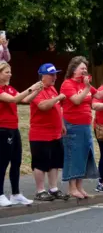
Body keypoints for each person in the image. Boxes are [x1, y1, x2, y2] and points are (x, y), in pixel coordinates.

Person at [60, 56, 103, 199]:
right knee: (74, 156)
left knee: (84, 156)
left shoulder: (85, 84)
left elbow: (99, 95)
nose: (85, 70)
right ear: (73, 69)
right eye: (82, 68)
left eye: (85, 68)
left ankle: (79, 187)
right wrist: (87, 87)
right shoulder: (67, 84)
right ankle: (72, 188)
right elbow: (76, 100)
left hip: (85, 125)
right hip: (72, 126)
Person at [0, 61, 43, 207]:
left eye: (10, 71)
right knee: (2, 163)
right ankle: (0, 194)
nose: (10, 74)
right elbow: (13, 100)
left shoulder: (10, 88)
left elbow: (24, 99)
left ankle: (16, 194)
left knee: (16, 162)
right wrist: (31, 88)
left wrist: (37, 90)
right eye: (7, 72)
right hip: (2, 130)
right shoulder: (1, 90)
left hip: (13, 128)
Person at [29, 64, 69, 201]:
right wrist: (58, 98)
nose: (55, 77)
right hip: (40, 134)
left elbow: (57, 109)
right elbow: (43, 106)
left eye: (55, 74)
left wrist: (62, 124)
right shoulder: (37, 89)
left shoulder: (52, 88)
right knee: (40, 163)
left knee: (54, 162)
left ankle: (53, 188)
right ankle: (40, 190)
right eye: (52, 75)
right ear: (43, 76)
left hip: (55, 133)